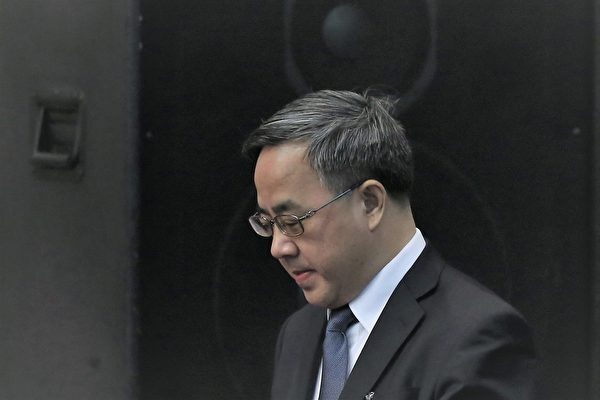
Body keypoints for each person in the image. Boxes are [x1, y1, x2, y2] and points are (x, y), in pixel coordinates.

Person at [242, 89, 537, 400]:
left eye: (292, 221)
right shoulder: (298, 333)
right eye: (268, 223)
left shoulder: (476, 337)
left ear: (370, 203)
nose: (278, 248)